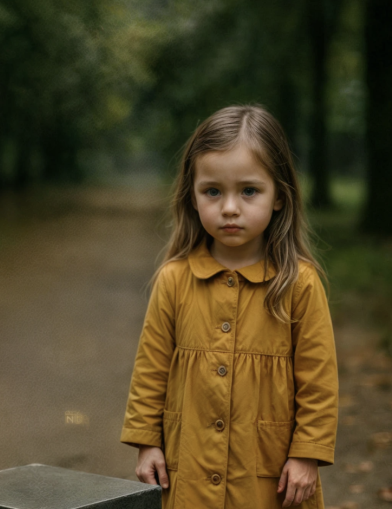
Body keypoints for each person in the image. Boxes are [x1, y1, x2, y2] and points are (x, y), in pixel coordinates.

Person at [120, 105, 339, 509]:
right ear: (193, 196)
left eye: (249, 191)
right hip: (189, 473)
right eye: (213, 191)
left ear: (279, 197)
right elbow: (150, 369)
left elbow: (319, 381)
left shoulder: (299, 283)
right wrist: (146, 442)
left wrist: (307, 453)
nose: (230, 208)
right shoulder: (174, 279)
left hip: (269, 479)